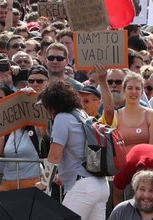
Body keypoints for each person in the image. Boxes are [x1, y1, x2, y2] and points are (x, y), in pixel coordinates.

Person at [36, 79, 109, 220]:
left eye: (46, 106)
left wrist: (45, 183)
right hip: (101, 185)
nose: (46, 110)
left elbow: (54, 156)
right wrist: (62, 176)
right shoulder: (82, 114)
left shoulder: (62, 118)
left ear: (53, 104)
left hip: (83, 187)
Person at [117, 72, 153, 156]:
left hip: (146, 165)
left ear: (142, 92)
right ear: (124, 90)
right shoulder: (116, 115)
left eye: (137, 88)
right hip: (121, 166)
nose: (134, 91)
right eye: (130, 88)